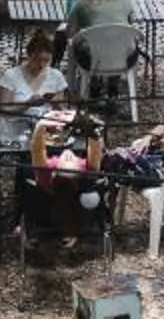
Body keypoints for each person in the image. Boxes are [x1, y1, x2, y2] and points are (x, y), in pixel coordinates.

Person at [18, 106, 105, 263]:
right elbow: (96, 149)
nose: (68, 154)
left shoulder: (45, 174)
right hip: (71, 219)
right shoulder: (88, 172)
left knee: (23, 170)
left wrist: (41, 125)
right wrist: (92, 129)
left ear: (55, 171)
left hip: (45, 216)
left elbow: (36, 150)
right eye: (72, 160)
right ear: (81, 169)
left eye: (67, 160)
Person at [0, 30, 68, 158]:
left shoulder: (56, 76)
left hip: (46, 128)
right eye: (38, 60)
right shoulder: (11, 76)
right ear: (29, 56)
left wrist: (54, 102)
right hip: (16, 128)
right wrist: (27, 105)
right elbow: (3, 109)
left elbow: (61, 111)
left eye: (46, 61)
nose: (42, 65)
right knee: (30, 155)